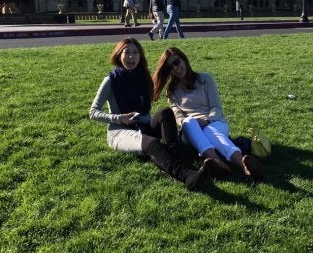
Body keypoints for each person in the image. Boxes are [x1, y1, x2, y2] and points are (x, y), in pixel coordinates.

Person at [89, 38, 207, 190]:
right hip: (120, 131)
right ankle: (187, 175)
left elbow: (153, 98)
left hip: (142, 125)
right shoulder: (111, 80)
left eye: (135, 52)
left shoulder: (143, 76)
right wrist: (119, 118)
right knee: (151, 143)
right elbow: (93, 112)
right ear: (119, 55)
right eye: (127, 52)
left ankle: (179, 157)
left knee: (166, 112)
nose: (131, 56)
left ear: (140, 56)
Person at [152, 47, 263, 181]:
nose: (175, 68)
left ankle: (245, 166)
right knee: (188, 121)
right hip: (191, 130)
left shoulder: (205, 79)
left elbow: (216, 107)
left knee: (210, 131)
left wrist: (208, 121)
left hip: (214, 122)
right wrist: (192, 122)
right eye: (170, 67)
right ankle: (218, 163)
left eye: (176, 62)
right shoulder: (172, 91)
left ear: (184, 59)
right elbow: (178, 116)